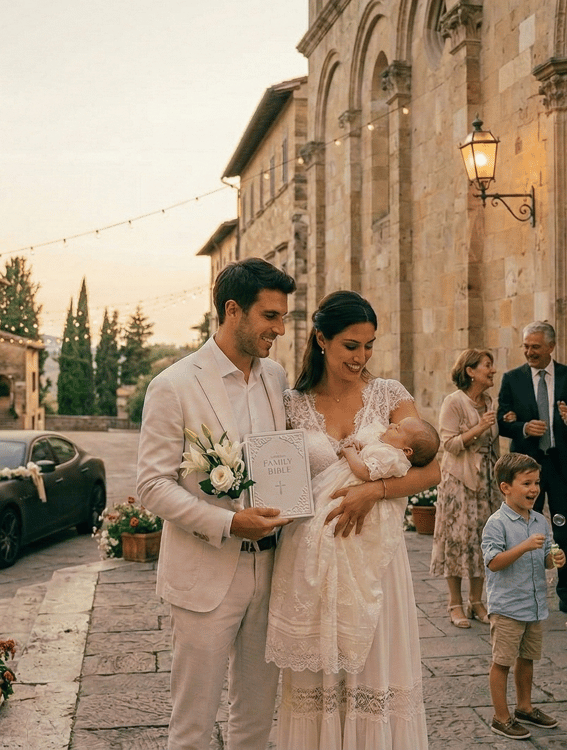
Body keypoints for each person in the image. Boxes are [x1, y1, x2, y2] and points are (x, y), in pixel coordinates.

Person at [136, 257, 296, 750]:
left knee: (255, 723)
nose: (280, 330)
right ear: (233, 310)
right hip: (206, 576)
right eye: (270, 316)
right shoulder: (174, 385)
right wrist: (228, 523)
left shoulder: (276, 377)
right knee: (192, 727)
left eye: (283, 318)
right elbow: (151, 486)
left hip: (273, 572)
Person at [269, 290, 440, 750]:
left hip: (376, 563)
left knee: (372, 672)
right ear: (321, 339)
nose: (362, 357)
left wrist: (373, 491)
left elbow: (432, 466)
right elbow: (275, 474)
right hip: (310, 564)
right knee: (320, 683)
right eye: (351, 345)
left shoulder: (388, 394)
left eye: (369, 346)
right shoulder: (290, 402)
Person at [266, 416, 439, 676]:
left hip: (360, 527)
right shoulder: (292, 401)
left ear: (407, 450)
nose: (392, 426)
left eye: (398, 428)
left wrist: (352, 457)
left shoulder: (391, 454)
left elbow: (368, 472)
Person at [497, 321, 567, 620]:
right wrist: (523, 427)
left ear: (551, 347)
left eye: (535, 347)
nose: (529, 352)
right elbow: (501, 421)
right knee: (520, 532)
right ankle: (522, 594)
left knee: (565, 533)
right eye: (525, 346)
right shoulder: (512, 378)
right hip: (525, 470)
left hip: (561, 466)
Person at [482, 453, 566, 740]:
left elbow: (543, 558)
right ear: (506, 487)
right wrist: (525, 547)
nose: (534, 489)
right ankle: (500, 717)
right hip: (507, 605)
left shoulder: (541, 521)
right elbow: (493, 562)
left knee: (527, 658)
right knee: (502, 661)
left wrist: (554, 559)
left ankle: (525, 707)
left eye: (537, 483)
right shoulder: (497, 523)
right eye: (526, 483)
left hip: (534, 604)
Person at [431, 348, 501, 628]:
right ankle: (455, 604)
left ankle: (477, 601)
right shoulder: (454, 402)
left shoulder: (489, 401)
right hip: (458, 481)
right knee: (457, 540)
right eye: (487, 365)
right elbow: (448, 443)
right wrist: (480, 427)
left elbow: (493, 444)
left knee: (483, 540)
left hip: (486, 480)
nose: (492, 370)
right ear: (470, 371)